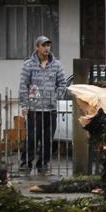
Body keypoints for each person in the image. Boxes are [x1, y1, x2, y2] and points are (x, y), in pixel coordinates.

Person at [18, 36, 66, 173]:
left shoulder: (56, 65)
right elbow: (23, 86)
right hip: (34, 109)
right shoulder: (28, 65)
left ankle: (43, 163)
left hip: (50, 109)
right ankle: (26, 162)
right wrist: (24, 105)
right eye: (44, 45)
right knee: (32, 138)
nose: (47, 48)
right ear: (37, 47)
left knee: (48, 139)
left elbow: (62, 84)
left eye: (48, 45)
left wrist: (55, 97)